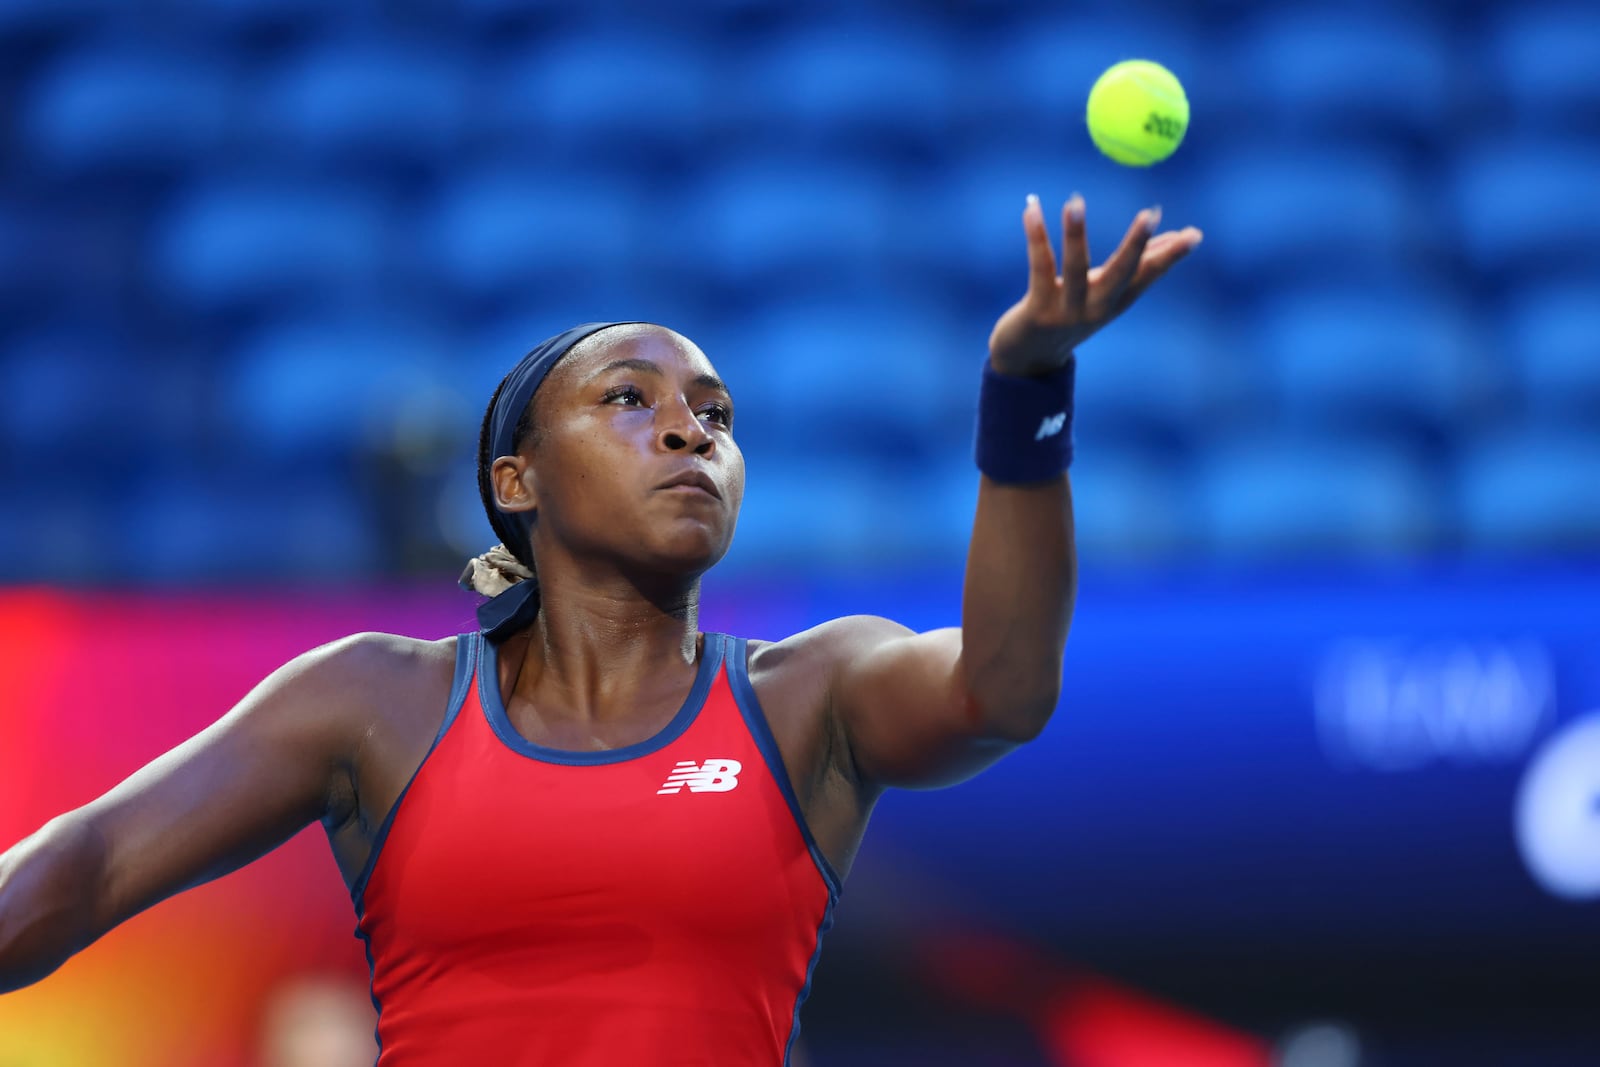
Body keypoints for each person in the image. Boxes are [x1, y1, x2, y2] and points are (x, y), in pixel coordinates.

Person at [0, 195, 1201, 1065]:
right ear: (516, 483)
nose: (691, 431)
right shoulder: (372, 700)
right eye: (630, 398)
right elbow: (86, 866)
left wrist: (1027, 389)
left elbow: (1001, 685)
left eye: (715, 414)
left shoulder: (809, 693)